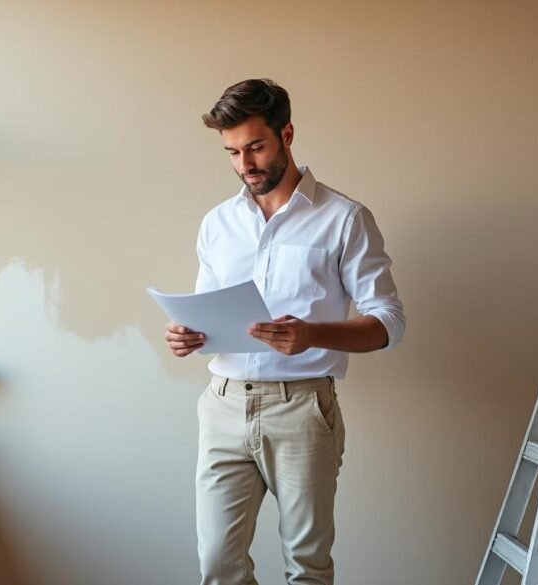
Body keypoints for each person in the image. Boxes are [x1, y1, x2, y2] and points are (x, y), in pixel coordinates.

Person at [165, 78, 406, 585]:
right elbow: (207, 310)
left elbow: (389, 322)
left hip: (303, 409)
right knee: (217, 566)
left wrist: (314, 334)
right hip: (223, 404)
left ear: (287, 134)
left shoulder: (345, 219)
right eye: (232, 152)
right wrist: (187, 334)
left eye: (255, 146)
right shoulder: (217, 223)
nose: (245, 164)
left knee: (307, 568)